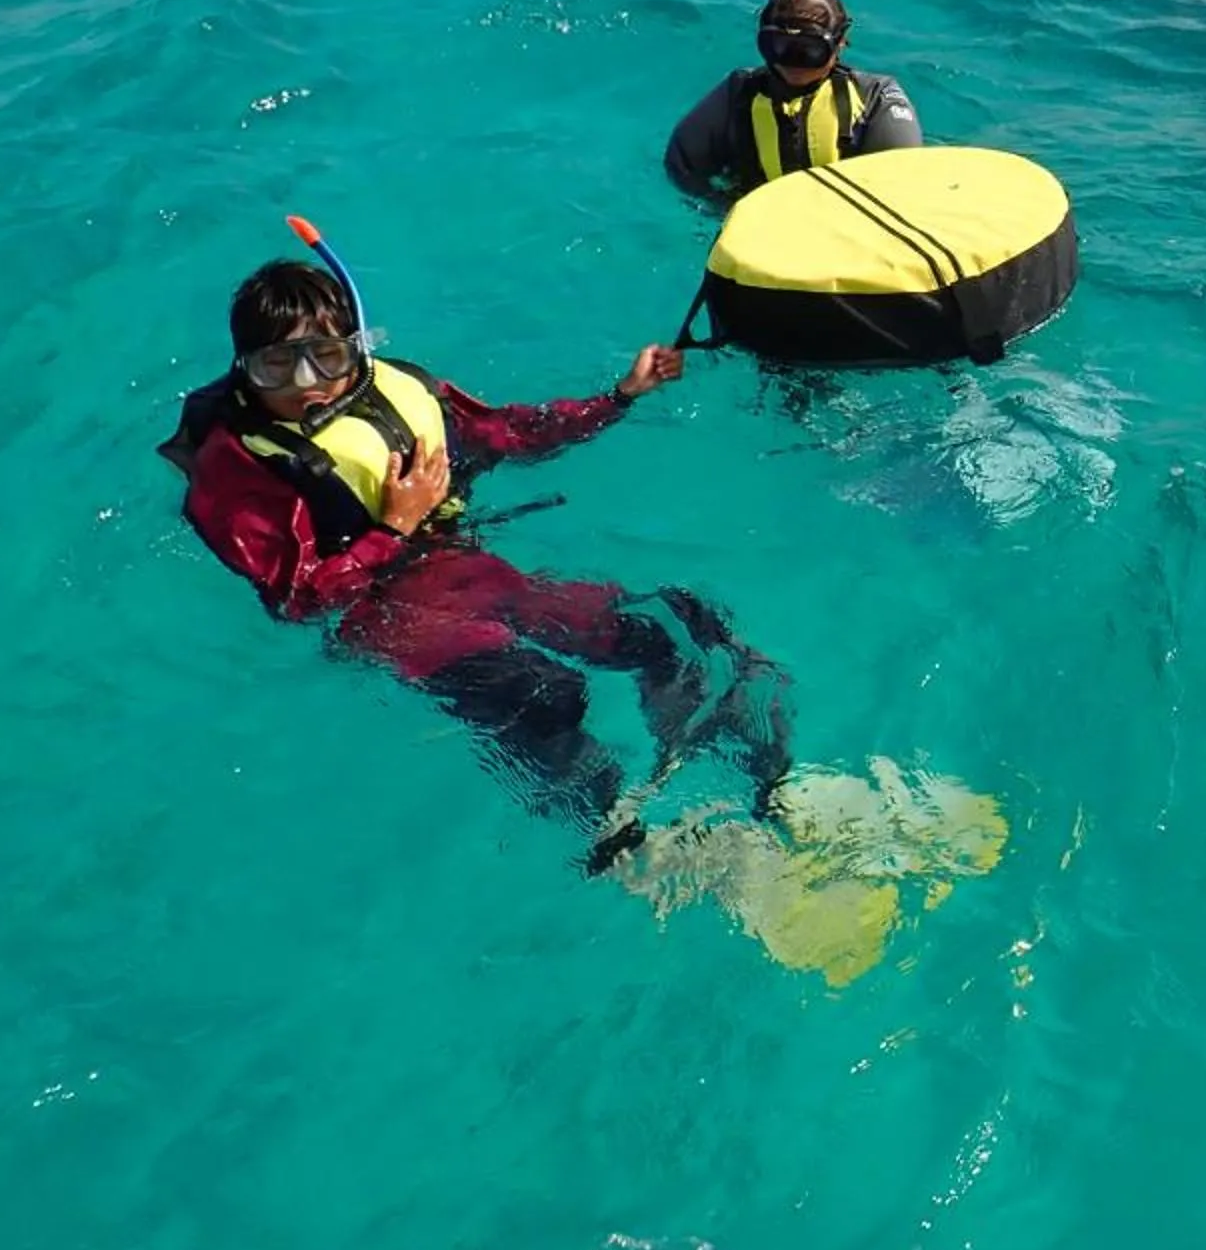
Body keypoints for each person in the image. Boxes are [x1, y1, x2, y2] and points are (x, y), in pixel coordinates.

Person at [161, 255, 786, 868]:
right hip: (390, 618)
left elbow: (509, 434)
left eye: (325, 356)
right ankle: (618, 847)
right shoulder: (237, 470)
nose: (305, 383)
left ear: (355, 347)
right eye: (277, 366)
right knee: (544, 696)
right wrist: (393, 526)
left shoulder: (395, 389)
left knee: (669, 623)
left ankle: (757, 772)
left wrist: (619, 397)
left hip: (468, 572)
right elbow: (298, 602)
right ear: (245, 371)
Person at [663, 0, 922, 203]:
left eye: (809, 50)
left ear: (841, 41)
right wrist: (724, 208)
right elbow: (682, 166)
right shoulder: (737, 97)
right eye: (779, 46)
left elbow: (901, 185)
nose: (793, 63)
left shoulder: (877, 100)